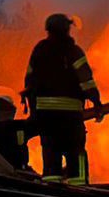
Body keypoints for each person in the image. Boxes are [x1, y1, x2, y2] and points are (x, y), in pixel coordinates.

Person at [22, 12, 102, 184]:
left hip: (46, 117)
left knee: (51, 153)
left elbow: (29, 81)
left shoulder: (40, 51)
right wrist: (96, 103)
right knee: (76, 152)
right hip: (70, 117)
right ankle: (80, 187)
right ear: (67, 30)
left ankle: (52, 190)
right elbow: (86, 80)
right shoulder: (73, 52)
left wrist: (34, 109)